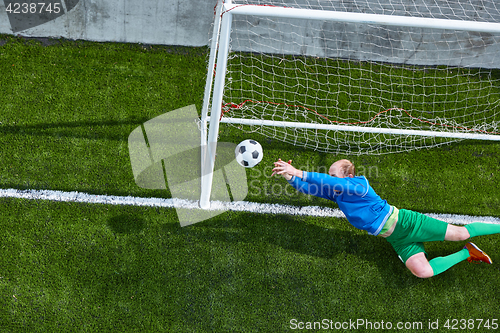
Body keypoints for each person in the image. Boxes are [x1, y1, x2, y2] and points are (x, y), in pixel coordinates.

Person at [272, 158, 499, 278]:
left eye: (334, 175)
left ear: (348, 176)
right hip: (395, 238)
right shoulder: (340, 194)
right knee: (422, 272)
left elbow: (331, 183)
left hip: (407, 223)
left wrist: (301, 172)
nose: (331, 179)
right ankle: (468, 252)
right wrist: (291, 177)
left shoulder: (359, 185)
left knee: (461, 232)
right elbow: (314, 188)